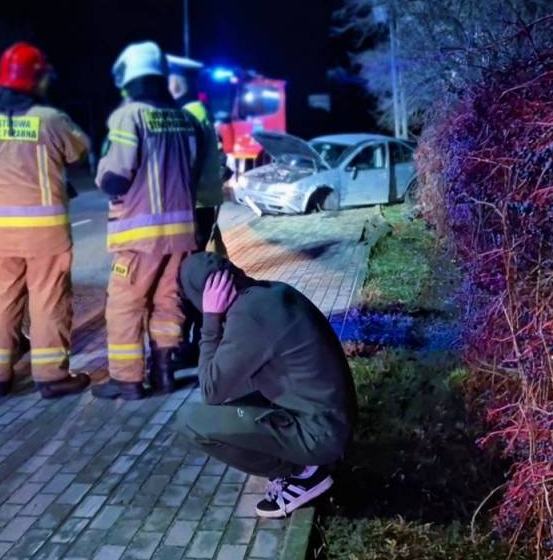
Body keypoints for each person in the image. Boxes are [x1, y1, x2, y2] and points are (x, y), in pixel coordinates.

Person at [0, 42, 90, 399]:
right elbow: (80, 155)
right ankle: (51, 377)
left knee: (2, 302)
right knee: (48, 302)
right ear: (36, 79)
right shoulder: (50, 120)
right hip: (46, 234)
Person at [175, 252, 357, 518]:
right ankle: (304, 463)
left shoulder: (248, 316)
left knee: (191, 421)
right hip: (331, 419)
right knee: (232, 393)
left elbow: (210, 390)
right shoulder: (269, 293)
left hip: (321, 435)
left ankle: (303, 474)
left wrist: (211, 319)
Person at [91, 41, 199, 400]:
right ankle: (164, 375)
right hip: (181, 234)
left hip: (140, 235)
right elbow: (193, 169)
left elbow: (115, 177)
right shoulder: (183, 118)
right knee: (168, 302)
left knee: (125, 305)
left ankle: (127, 381)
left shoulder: (129, 115)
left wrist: (101, 172)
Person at [167, 55, 230, 368]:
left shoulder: (188, 115)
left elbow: (186, 167)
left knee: (184, 278)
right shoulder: (201, 111)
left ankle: (188, 346)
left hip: (192, 207)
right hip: (204, 206)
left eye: (170, 79)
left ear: (179, 82)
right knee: (193, 274)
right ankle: (196, 341)